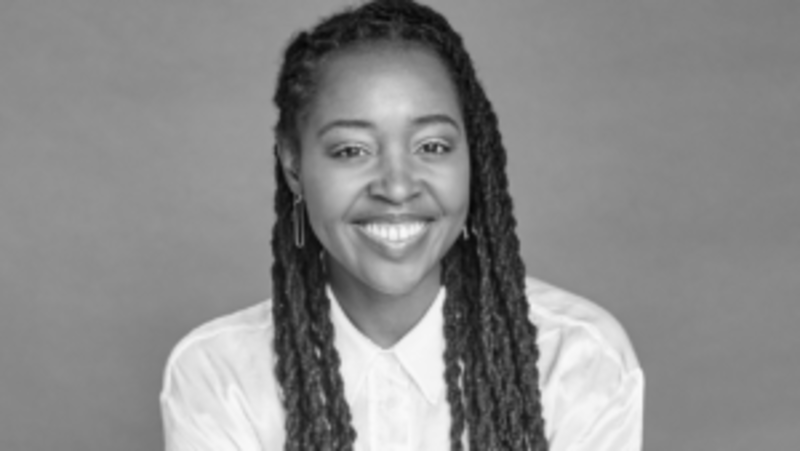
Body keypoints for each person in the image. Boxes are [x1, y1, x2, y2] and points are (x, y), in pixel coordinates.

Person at [159, 0, 644, 450]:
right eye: (352, 150)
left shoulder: (576, 358)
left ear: (473, 156)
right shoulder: (219, 375)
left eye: (431, 146)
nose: (396, 186)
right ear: (293, 165)